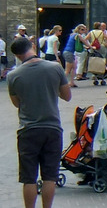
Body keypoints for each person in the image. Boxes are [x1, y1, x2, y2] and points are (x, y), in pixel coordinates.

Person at [10, 36, 71, 208]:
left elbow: (17, 103)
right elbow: (67, 96)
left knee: (28, 177)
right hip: (52, 127)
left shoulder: (13, 75)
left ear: (17, 55)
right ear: (32, 46)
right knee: (49, 176)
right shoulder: (54, 67)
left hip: (28, 129)